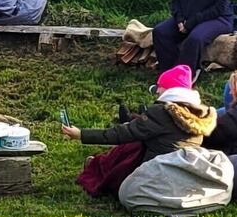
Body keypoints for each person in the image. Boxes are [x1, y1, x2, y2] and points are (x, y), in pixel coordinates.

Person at [62, 65, 217, 163]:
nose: (157, 92)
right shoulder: (200, 113)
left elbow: (122, 134)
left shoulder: (161, 112)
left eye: (160, 87)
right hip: (187, 170)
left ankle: (98, 167)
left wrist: (82, 134)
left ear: (169, 90)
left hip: (159, 170)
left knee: (130, 150)